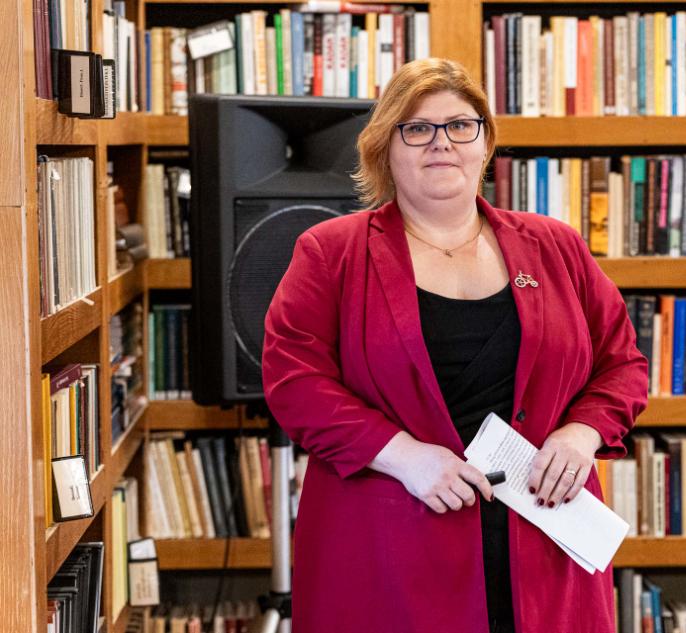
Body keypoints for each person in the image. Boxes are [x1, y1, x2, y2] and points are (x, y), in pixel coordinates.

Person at [261, 57, 648, 633]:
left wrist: (581, 433)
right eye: (417, 128)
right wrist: (405, 457)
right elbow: (294, 381)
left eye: (460, 125)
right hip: (392, 539)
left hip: (542, 534)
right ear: (384, 147)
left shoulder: (555, 246)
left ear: (485, 142)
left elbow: (623, 365)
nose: (441, 143)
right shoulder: (331, 252)